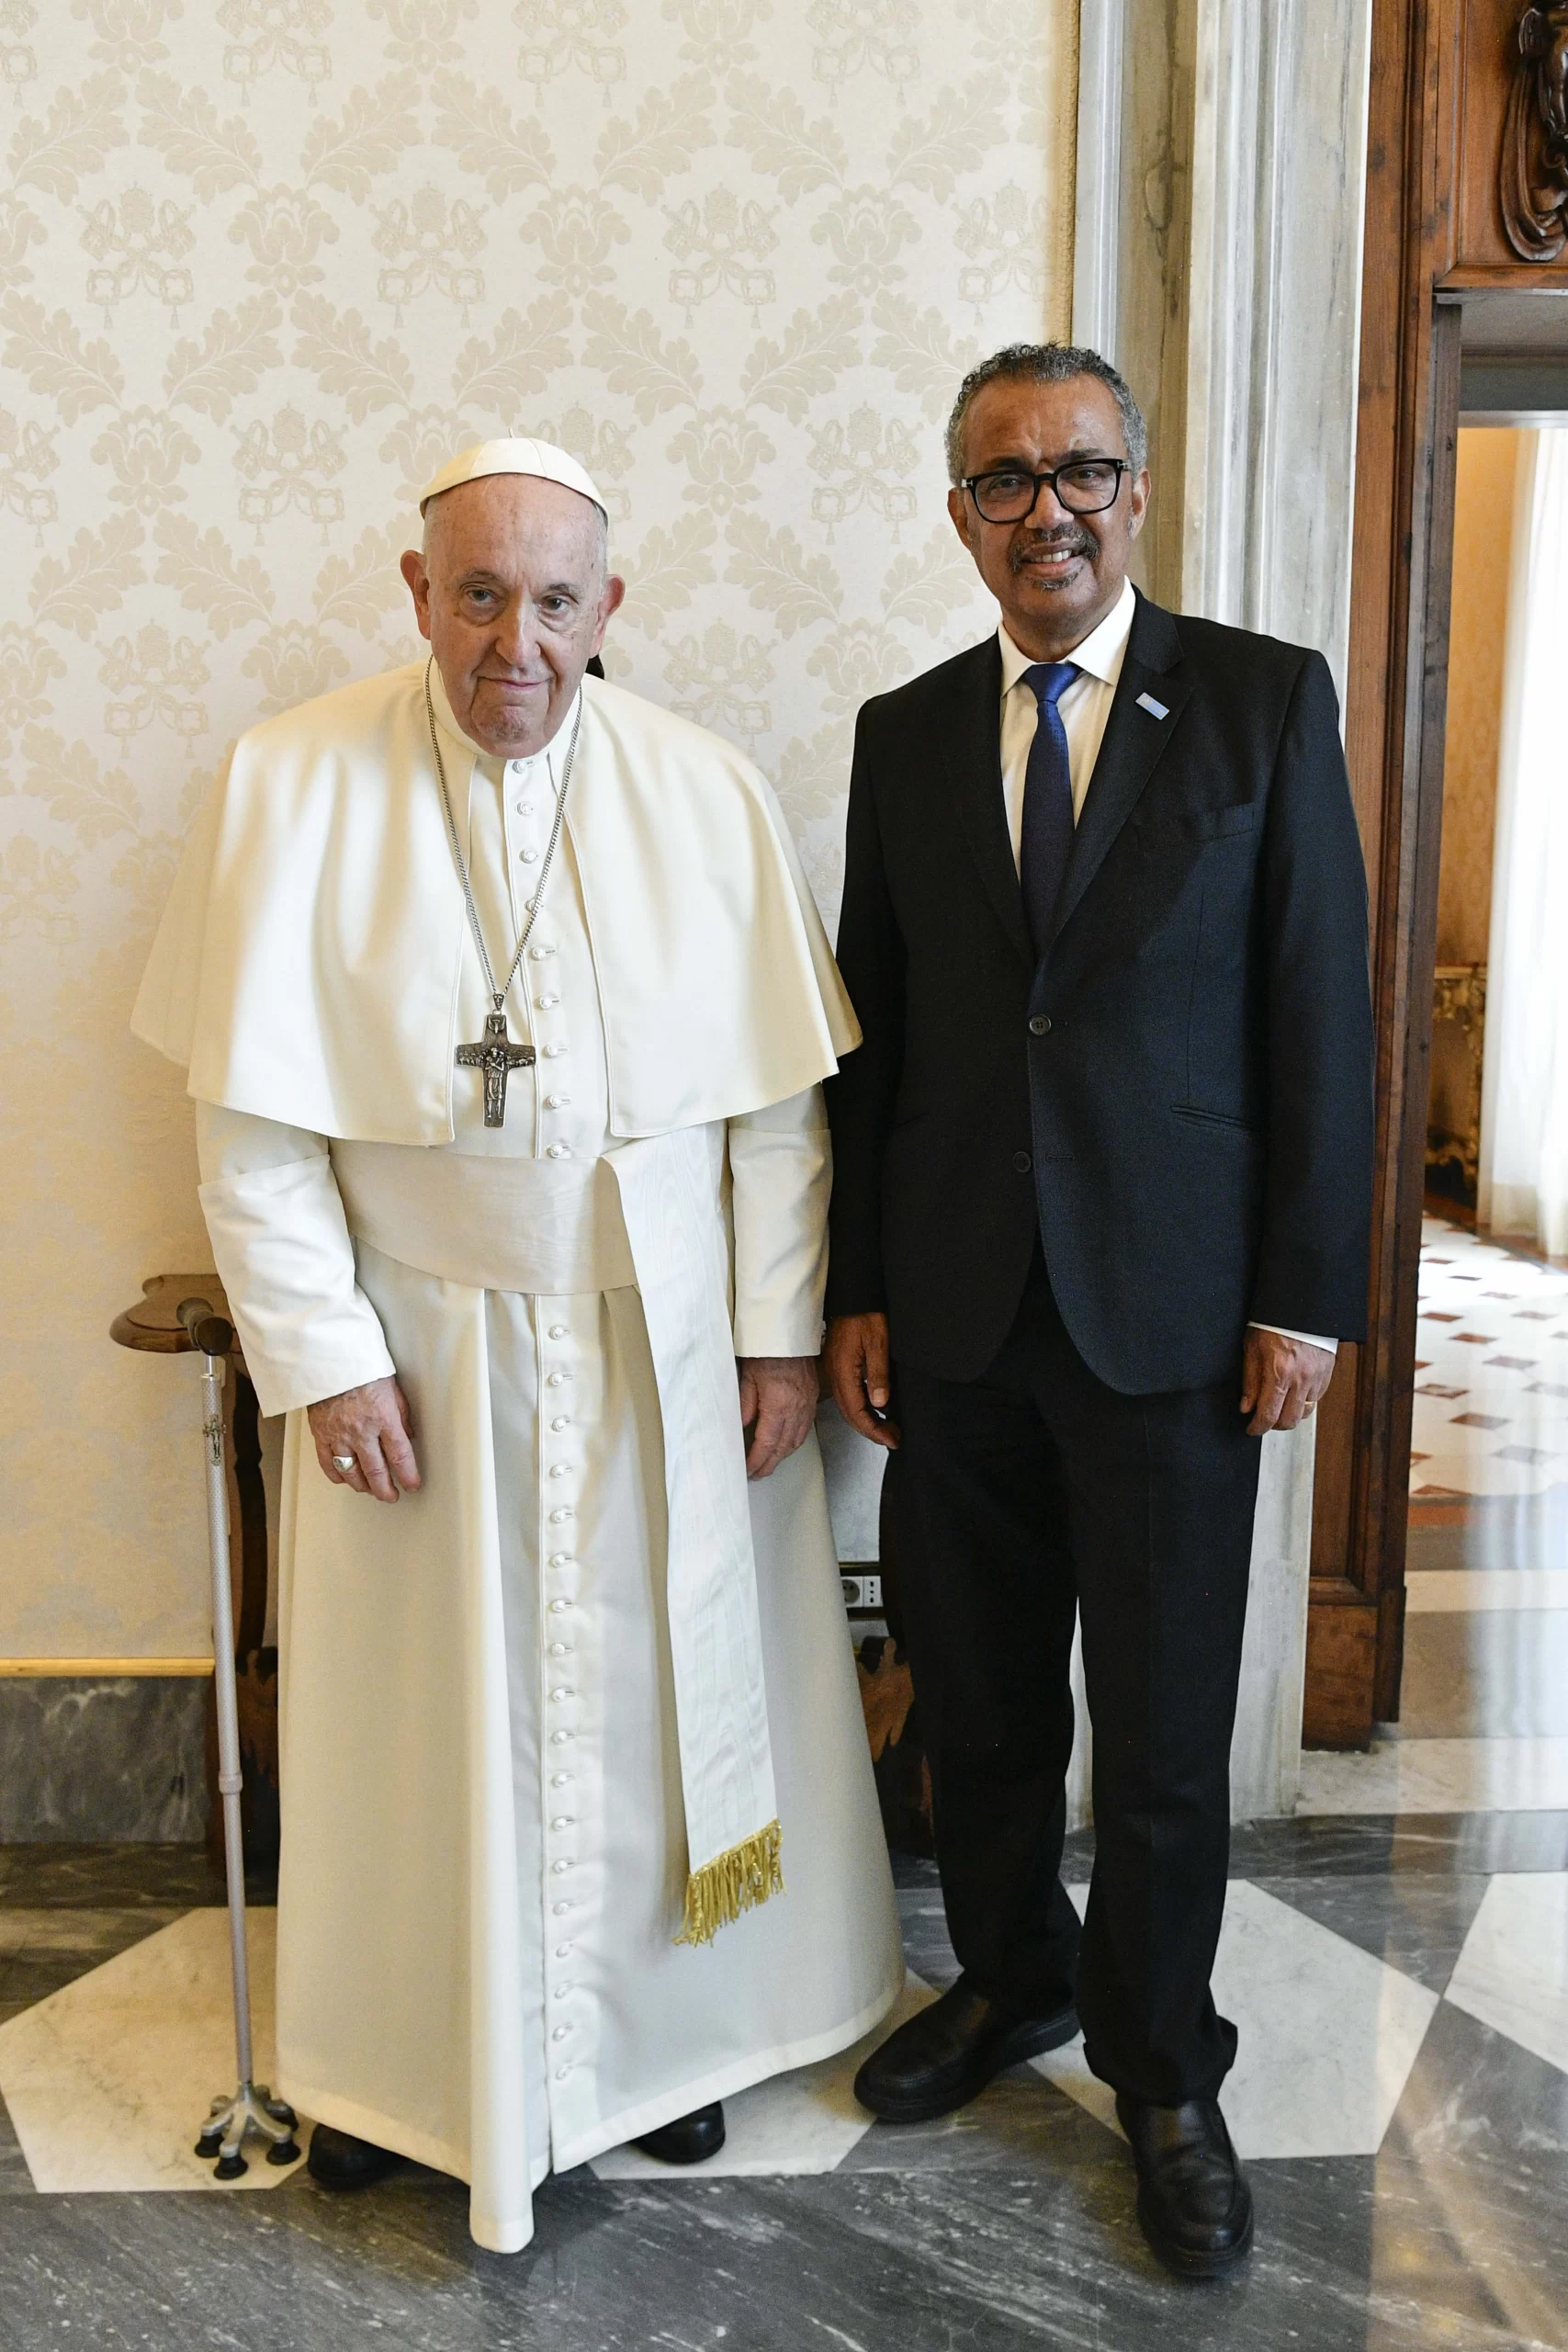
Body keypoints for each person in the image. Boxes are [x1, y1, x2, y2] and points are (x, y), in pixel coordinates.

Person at [133, 437, 902, 2255]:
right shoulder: (290, 781)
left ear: (607, 607)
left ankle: (665, 2044)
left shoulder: (704, 793)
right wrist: (323, 1356)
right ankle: (408, 2060)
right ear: (417, 593)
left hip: (664, 1340)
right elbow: (252, 1130)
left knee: (661, 1692)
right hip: (419, 1347)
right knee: (422, 1724)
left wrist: (775, 1339)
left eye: (555, 600)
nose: (517, 644)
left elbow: (777, 1113)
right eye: (478, 594)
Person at [822, 346, 1373, 2278]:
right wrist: (858, 1291)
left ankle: (1162, 2064)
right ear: (955, 508)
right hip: (959, 1311)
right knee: (975, 1703)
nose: (1043, 506)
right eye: (1000, 477)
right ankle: (1008, 1982)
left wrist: (1306, 1291)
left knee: (1151, 1730)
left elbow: (1319, 1014)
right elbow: (868, 1045)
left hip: (1174, 1313)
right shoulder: (898, 735)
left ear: (1132, 488)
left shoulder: (1255, 699)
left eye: (1079, 468)